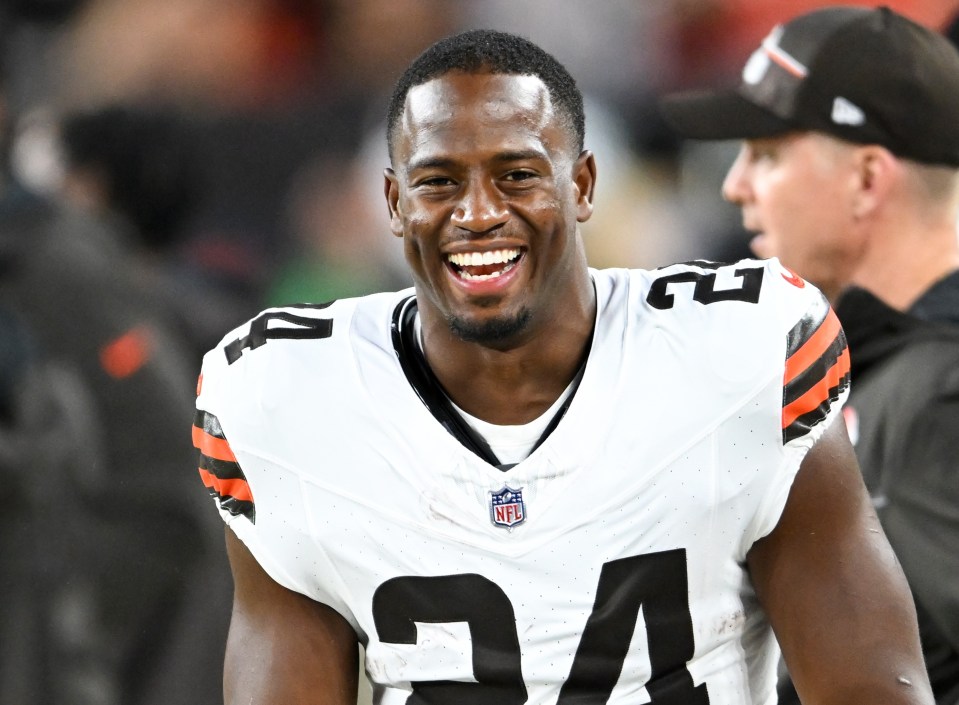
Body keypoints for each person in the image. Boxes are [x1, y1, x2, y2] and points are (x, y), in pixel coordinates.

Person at [194, 28, 934, 705]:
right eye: (438, 181)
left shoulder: (733, 357)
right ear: (393, 201)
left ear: (581, 186)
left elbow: (870, 687)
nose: (477, 212)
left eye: (516, 175)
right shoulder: (286, 398)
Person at [659, 6, 959, 704]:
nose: (735, 185)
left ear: (865, 179)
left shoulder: (939, 390)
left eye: (765, 154)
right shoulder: (877, 367)